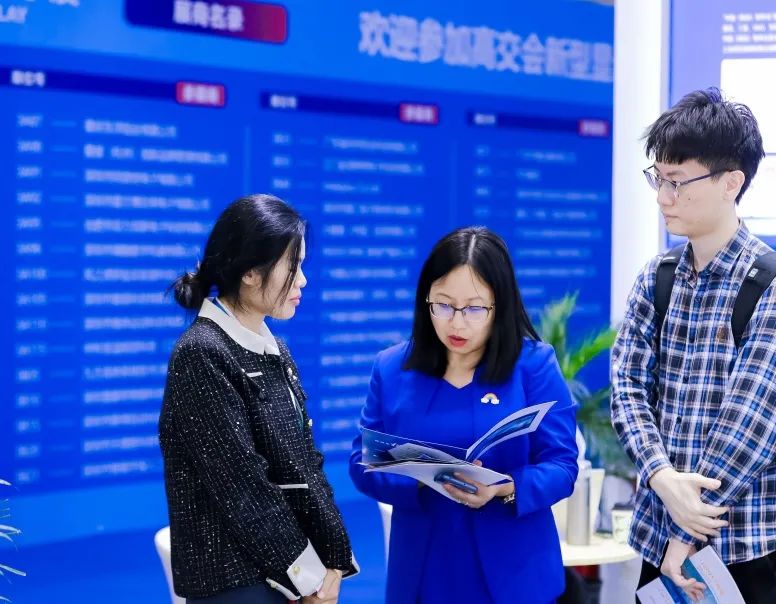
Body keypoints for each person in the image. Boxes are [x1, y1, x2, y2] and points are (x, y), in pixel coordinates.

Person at [610, 88, 776, 603]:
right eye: (658, 179)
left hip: (750, 552)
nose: (663, 197)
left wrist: (685, 535)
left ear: (732, 182)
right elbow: (627, 387)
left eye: (678, 182)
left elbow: (749, 426)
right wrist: (661, 475)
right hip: (660, 542)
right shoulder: (658, 277)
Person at [349, 226, 579, 604]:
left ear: (500, 305)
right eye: (443, 305)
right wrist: (424, 477)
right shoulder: (391, 369)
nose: (457, 323)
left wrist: (506, 486)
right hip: (424, 569)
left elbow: (562, 466)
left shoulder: (534, 366)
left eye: (474, 308)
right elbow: (362, 463)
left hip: (514, 572)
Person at [159, 194, 357, 603]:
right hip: (237, 583)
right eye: (293, 266)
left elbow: (304, 463)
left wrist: (334, 561)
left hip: (288, 573)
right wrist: (308, 578)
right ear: (250, 271)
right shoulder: (201, 352)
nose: (303, 281)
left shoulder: (276, 350)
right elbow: (242, 488)